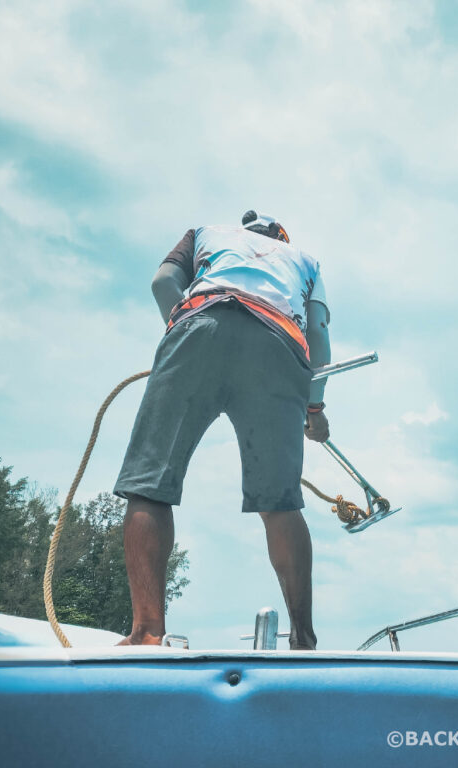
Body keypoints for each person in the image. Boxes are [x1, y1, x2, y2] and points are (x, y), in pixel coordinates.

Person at [113, 211, 331, 650]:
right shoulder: (304, 260)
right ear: (281, 237)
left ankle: (147, 632)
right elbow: (319, 335)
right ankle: (304, 638)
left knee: (149, 487)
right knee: (281, 503)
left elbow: (162, 283)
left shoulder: (203, 234)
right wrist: (315, 407)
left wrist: (186, 329)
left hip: (201, 320)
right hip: (279, 341)